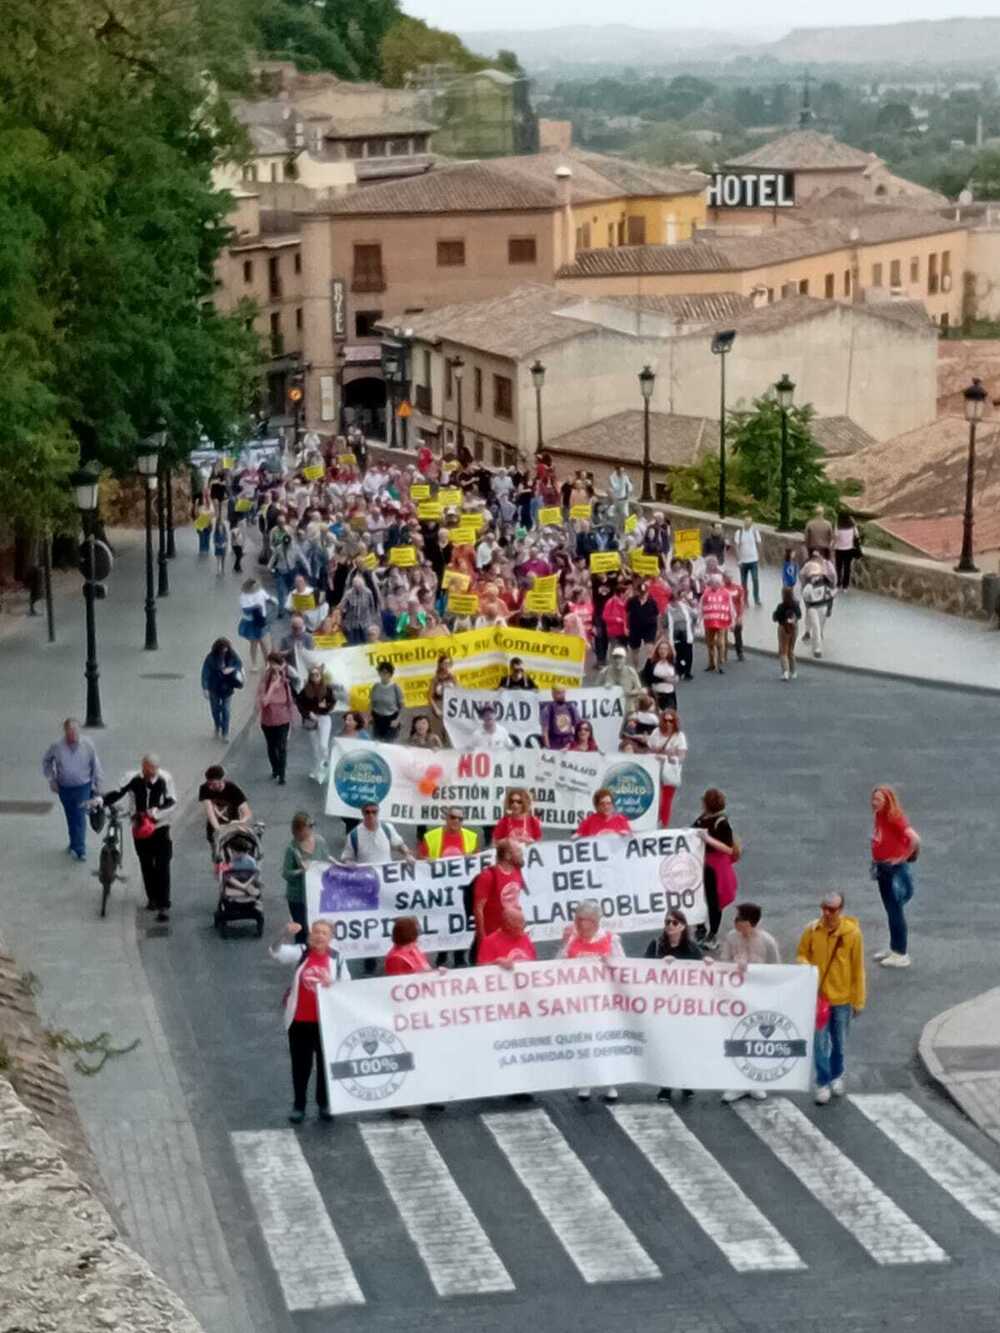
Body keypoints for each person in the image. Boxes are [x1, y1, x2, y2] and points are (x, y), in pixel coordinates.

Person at [270, 919, 348, 1123]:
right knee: (300, 1065)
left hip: (325, 1022)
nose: (319, 936)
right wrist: (284, 933)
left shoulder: (337, 959)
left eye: (324, 933)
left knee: (324, 1064)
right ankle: (299, 1105)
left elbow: (347, 987)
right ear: (310, 935)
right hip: (300, 1021)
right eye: (316, 932)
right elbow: (274, 951)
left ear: (330, 938)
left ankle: (324, 1103)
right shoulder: (302, 952)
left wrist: (334, 983)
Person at [797, 892, 865, 1105]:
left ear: (841, 910)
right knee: (819, 1043)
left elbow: (858, 968)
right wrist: (803, 964)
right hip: (819, 998)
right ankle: (823, 1081)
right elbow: (801, 953)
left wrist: (859, 1000)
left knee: (840, 1043)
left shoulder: (852, 934)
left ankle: (837, 1075)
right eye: (824, 908)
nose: (827, 913)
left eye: (832, 909)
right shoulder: (812, 930)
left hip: (843, 999)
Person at [559, 900, 624, 1103]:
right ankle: (585, 1081)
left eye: (582, 920)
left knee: (605, 1041)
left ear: (595, 922)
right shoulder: (572, 939)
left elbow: (624, 967)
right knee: (583, 1041)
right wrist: (563, 945)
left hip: (604, 1002)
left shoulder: (610, 940)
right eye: (577, 919)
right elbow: (557, 965)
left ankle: (610, 1082)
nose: (578, 924)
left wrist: (611, 964)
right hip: (580, 1001)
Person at [102, 755, 177, 922]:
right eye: (147, 769)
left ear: (157, 768)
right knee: (146, 863)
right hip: (140, 828)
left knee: (163, 864)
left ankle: (163, 905)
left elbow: (172, 802)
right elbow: (117, 792)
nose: (150, 773)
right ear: (143, 767)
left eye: (153, 769)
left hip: (160, 828)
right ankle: (152, 898)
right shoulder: (132, 778)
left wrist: (155, 813)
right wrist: (101, 801)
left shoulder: (166, 778)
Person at [645, 909, 702, 1102]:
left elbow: (702, 975)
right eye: (667, 922)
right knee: (666, 1046)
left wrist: (709, 964)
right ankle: (666, 1086)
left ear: (683, 926)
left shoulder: (692, 949)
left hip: (685, 1006)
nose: (670, 925)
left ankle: (686, 1081)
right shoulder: (656, 946)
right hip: (662, 1005)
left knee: (684, 1045)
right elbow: (642, 970)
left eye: (674, 923)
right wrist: (660, 964)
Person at [420, 808, 480, 965]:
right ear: (446, 818)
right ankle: (442, 954)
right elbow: (420, 860)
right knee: (443, 922)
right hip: (441, 889)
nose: (456, 821)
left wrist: (471, 858)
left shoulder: (471, 837)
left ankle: (460, 957)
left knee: (461, 922)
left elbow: (477, 862)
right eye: (453, 817)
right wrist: (427, 860)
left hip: (463, 890)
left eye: (460, 819)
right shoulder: (431, 836)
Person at [870, 785, 920, 969]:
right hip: (883, 868)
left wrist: (903, 858)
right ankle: (894, 948)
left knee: (895, 911)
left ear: (888, 801)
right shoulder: (880, 815)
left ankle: (901, 952)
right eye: (874, 799)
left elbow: (914, 838)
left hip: (893, 870)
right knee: (890, 910)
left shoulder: (895, 818)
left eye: (879, 800)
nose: (874, 803)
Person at [42, 718, 104, 862]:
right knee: (71, 816)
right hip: (64, 787)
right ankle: (73, 843)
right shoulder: (57, 746)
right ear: (65, 732)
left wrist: (98, 787)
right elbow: (46, 761)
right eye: (70, 732)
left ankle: (80, 849)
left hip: (83, 786)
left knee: (79, 816)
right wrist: (52, 779)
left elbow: (96, 766)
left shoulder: (87, 745)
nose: (73, 734)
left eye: (76, 731)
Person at [692, 788, 739, 949]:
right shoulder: (702, 819)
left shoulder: (722, 823)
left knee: (714, 901)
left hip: (715, 866)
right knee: (696, 895)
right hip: (701, 863)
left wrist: (707, 839)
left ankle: (712, 934)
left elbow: (728, 849)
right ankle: (700, 927)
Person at [282, 812, 331, 938]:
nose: (298, 835)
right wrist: (301, 871)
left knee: (316, 931)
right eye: (296, 832)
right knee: (301, 932)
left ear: (309, 828)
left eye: (301, 831)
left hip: (316, 895)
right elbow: (286, 873)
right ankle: (302, 955)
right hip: (298, 897)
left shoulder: (320, 842)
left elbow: (327, 863)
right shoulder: (292, 848)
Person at [473, 839, 525, 955]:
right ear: (507, 855)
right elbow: (478, 909)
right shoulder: (487, 876)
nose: (521, 854)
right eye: (518, 851)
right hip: (492, 936)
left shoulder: (517, 871)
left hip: (510, 933)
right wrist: (482, 938)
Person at [257, 653, 295, 784]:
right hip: (268, 720)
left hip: (283, 719)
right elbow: (264, 702)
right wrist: (272, 687)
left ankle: (282, 774)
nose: (275, 668)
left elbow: (290, 701)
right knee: (272, 747)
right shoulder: (265, 680)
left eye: (277, 664)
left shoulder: (284, 680)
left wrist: (292, 719)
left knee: (282, 747)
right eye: (272, 664)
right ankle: (275, 768)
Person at [297, 665, 337, 783]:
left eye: (317, 675)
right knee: (315, 747)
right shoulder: (305, 690)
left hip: (324, 717)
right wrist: (308, 714)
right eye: (312, 675)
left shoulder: (327, 689)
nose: (315, 677)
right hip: (311, 719)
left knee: (323, 745)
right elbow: (299, 704)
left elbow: (332, 702)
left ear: (321, 676)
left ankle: (325, 766)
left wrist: (326, 707)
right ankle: (316, 768)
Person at [646, 710, 686, 827]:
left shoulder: (679, 736)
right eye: (666, 720)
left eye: (671, 721)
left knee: (667, 800)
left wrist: (672, 758)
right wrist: (664, 752)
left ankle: (664, 824)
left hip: (669, 769)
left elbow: (682, 755)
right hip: (655, 767)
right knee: (655, 797)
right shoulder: (656, 732)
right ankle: (654, 821)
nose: (668, 723)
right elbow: (649, 749)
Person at [200, 637, 244, 740]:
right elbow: (205, 673)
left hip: (227, 687)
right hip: (214, 687)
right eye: (222, 649)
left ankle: (225, 732)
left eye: (226, 648)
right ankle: (217, 725)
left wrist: (231, 668)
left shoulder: (232, 655)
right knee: (215, 709)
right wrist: (205, 688)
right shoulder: (210, 658)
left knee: (226, 710)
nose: (224, 651)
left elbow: (239, 664)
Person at [199, 764, 250, 850]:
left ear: (222, 780)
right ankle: (216, 855)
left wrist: (240, 822)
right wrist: (218, 828)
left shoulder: (233, 789)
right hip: (216, 823)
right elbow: (209, 812)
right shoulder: (204, 788)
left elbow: (247, 812)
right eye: (209, 783)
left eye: (213, 784)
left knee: (235, 847)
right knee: (215, 845)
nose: (210, 787)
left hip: (232, 821)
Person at [800, 552, 835, 658]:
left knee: (818, 626)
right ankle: (817, 649)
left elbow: (830, 594)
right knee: (816, 626)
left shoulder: (820, 576)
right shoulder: (821, 575)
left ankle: (816, 643)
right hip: (817, 605)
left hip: (818, 605)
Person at [237, 578, 276, 671]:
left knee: (263, 643)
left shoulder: (260, 592)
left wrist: (272, 602)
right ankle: (254, 664)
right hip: (251, 622)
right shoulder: (243, 596)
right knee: (254, 643)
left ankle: (267, 662)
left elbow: (269, 599)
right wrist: (256, 607)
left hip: (261, 621)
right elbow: (245, 610)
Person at [700, 573, 732, 674]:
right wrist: (698, 620)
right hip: (709, 621)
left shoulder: (726, 593)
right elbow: (701, 606)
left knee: (720, 643)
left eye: (718, 582)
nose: (716, 584)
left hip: (721, 621)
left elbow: (730, 607)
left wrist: (733, 620)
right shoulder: (706, 593)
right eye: (714, 582)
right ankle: (711, 663)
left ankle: (720, 662)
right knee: (709, 643)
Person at [626, 582, 659, 670]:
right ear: (638, 592)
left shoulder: (652, 602)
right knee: (634, 650)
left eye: (644, 592)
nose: (643, 594)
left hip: (649, 627)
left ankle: (649, 669)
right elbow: (626, 614)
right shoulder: (632, 601)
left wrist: (659, 629)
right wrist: (626, 627)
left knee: (649, 649)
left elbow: (657, 615)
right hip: (635, 627)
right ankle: (636, 669)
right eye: (641, 592)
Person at [772, 587, 802, 682]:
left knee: (783, 650)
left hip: (783, 628)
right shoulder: (796, 605)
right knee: (791, 650)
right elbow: (800, 615)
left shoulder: (781, 606)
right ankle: (794, 671)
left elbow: (776, 617)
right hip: (794, 628)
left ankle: (785, 671)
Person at [370, 660, 404, 741]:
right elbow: (372, 703)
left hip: (391, 720)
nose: (383, 674)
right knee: (376, 743)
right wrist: (370, 717)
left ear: (390, 674)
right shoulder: (375, 686)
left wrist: (397, 720)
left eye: (386, 672)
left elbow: (402, 706)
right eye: (381, 672)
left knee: (389, 745)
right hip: (377, 719)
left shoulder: (396, 687)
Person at [641, 639, 677, 712]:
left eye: (665, 649)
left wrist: (676, 678)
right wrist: (664, 680)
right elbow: (646, 677)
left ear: (669, 650)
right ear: (657, 650)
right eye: (661, 648)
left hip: (669, 696)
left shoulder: (672, 662)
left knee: (668, 717)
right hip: (655, 695)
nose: (663, 651)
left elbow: (677, 674)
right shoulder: (651, 662)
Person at [734, 515, 762, 608]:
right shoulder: (739, 532)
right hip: (743, 561)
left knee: (755, 579)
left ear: (752, 523)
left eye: (750, 521)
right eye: (746, 521)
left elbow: (759, 544)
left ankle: (756, 598)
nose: (748, 523)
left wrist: (760, 558)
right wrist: (739, 560)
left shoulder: (755, 532)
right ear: (744, 522)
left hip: (753, 560)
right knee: (743, 582)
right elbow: (736, 547)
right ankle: (745, 600)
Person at [540, 686, 580, 750]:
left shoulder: (571, 707)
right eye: (558, 693)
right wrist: (548, 748)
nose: (561, 695)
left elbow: (578, 727)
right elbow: (545, 731)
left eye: (562, 692)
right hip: (554, 742)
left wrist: (576, 744)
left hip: (569, 741)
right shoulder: (548, 709)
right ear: (553, 694)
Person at [834, 512, 860, 591]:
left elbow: (835, 536)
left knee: (838, 567)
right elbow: (857, 535)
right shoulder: (852, 526)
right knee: (847, 568)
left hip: (839, 549)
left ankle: (838, 583)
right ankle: (845, 586)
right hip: (849, 549)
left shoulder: (838, 526)